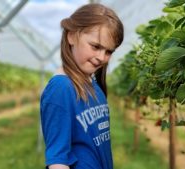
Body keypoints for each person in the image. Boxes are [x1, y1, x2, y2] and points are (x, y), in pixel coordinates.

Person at [40, 3, 124, 169]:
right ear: (71, 36)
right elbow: (58, 159)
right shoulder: (61, 88)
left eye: (109, 52)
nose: (101, 57)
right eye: (96, 46)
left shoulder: (92, 84)